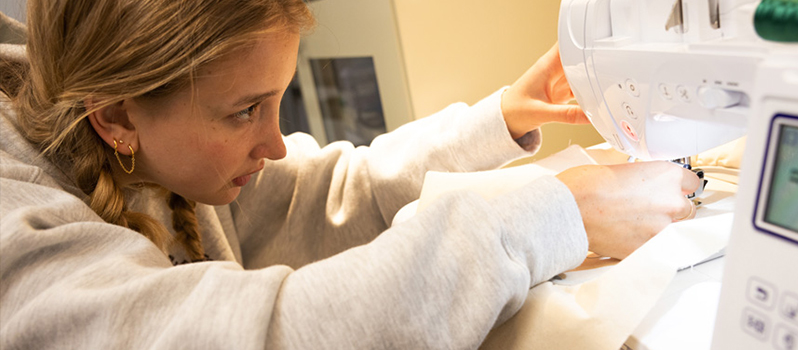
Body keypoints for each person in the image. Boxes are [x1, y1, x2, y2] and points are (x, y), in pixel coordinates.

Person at [0, 1, 699, 349]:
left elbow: (330, 195)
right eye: (245, 110)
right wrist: (550, 216)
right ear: (115, 117)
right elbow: (272, 333)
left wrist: (501, 118)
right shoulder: (19, 233)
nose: (274, 143)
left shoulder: (146, 149)